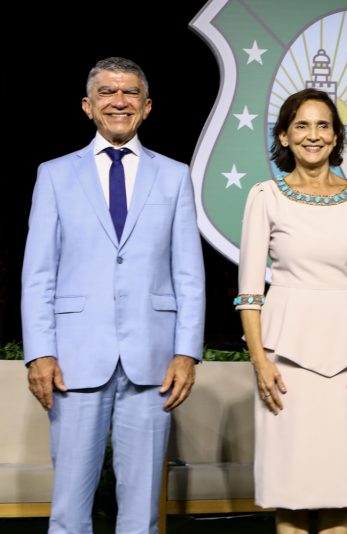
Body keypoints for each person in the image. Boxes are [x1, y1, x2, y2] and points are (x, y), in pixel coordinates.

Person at [21, 57, 206, 533]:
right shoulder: (55, 174)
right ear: (88, 106)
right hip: (74, 360)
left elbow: (188, 272)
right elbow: (38, 272)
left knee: (142, 514)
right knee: (68, 510)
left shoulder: (174, 175)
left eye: (129, 93)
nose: (118, 101)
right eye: (107, 92)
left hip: (153, 360)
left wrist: (187, 351)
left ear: (146, 107)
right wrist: (40, 352)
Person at [236, 88, 347, 534]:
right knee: (291, 496)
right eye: (301, 125)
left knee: (340, 494)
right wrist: (260, 362)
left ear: (337, 135)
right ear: (284, 136)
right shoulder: (265, 196)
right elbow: (249, 294)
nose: (313, 135)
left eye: (323, 125)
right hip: (284, 363)